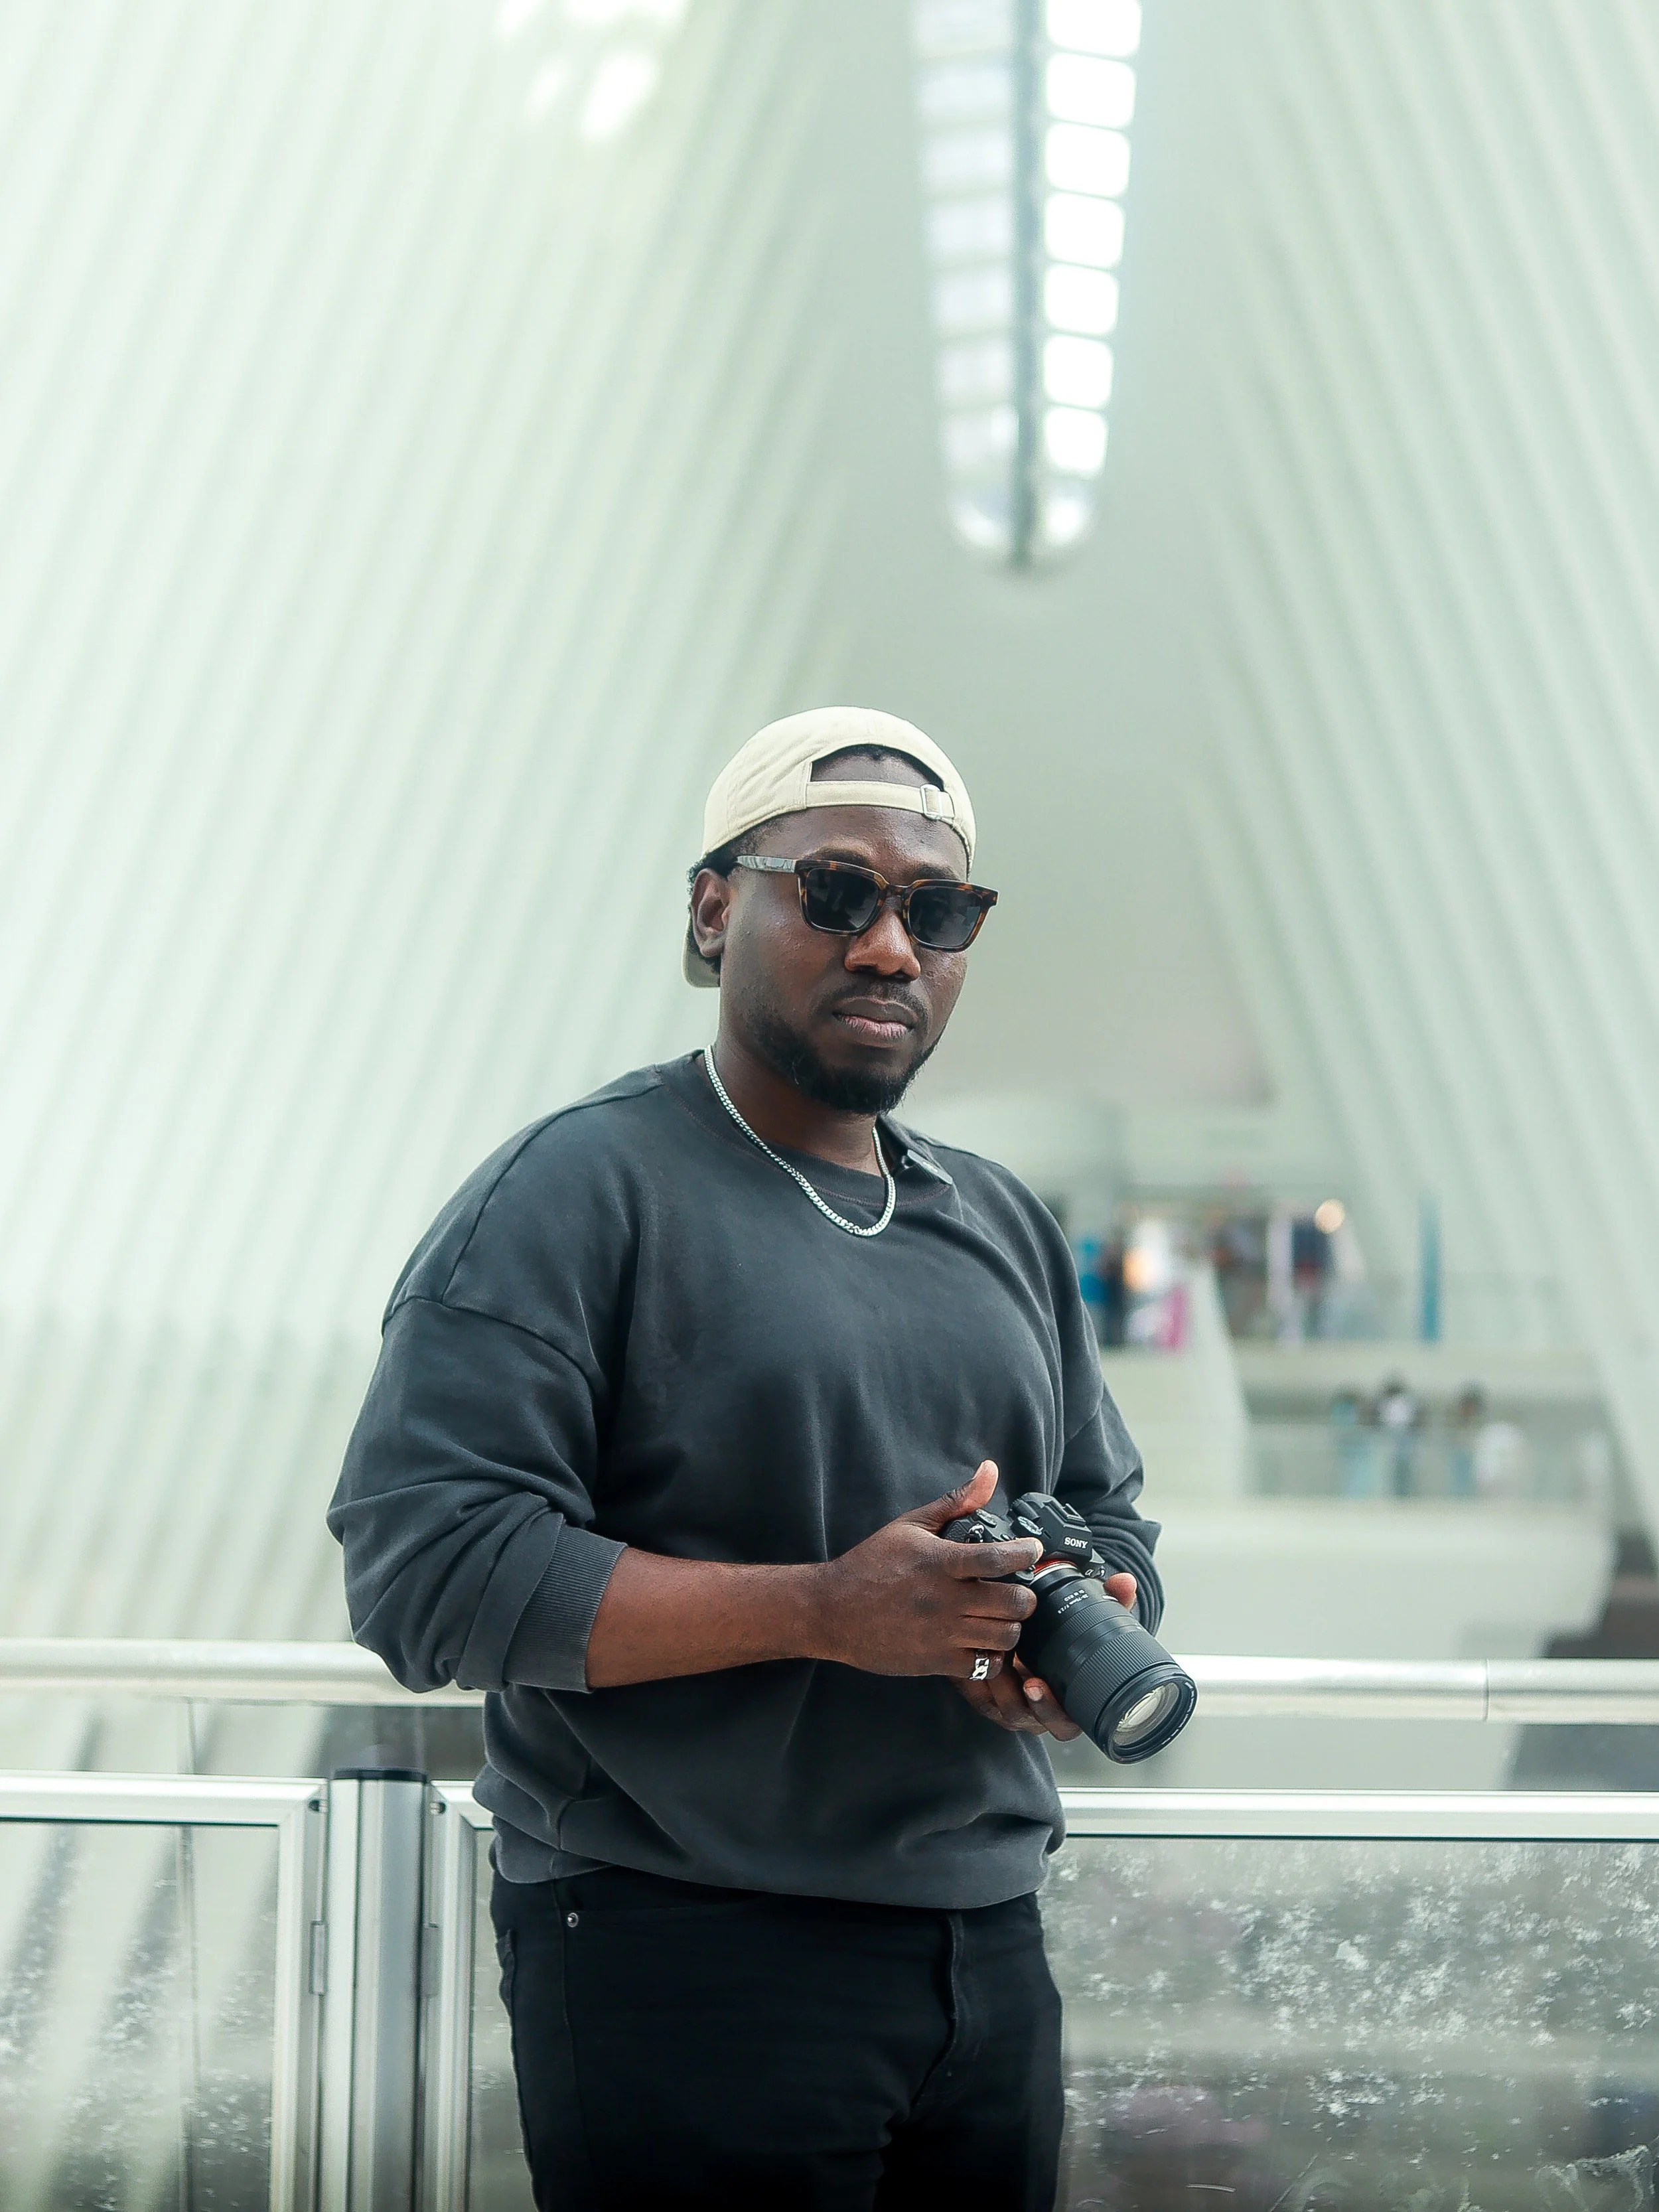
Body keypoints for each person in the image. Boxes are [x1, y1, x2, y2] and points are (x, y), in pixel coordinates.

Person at [328, 706, 1165, 2211]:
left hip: (985, 1944)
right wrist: (822, 1612)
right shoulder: (575, 1191)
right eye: (833, 890)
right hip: (681, 1946)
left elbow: (1107, 1508)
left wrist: (1077, 1614)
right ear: (715, 909)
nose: (889, 946)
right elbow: (426, 1569)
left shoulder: (1000, 1222)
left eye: (936, 907)